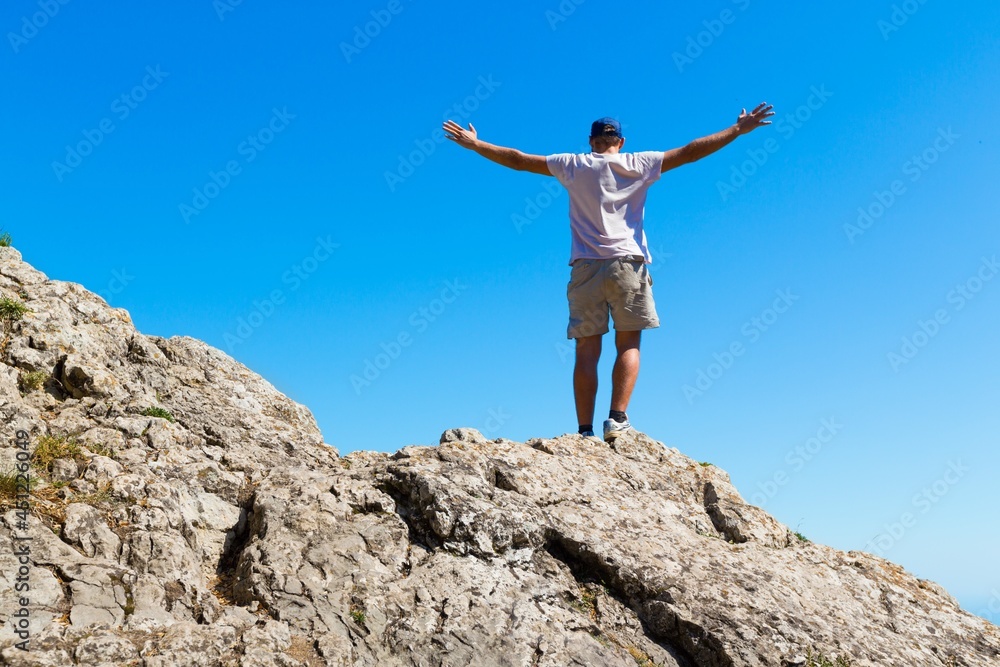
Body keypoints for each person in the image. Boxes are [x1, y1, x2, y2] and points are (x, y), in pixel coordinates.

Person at [443, 103, 774, 442]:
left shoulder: (572, 164)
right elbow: (691, 152)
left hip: (585, 267)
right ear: (621, 140)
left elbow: (517, 159)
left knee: (587, 351)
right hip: (627, 264)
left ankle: (585, 432)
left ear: (591, 141)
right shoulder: (639, 163)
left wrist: (476, 144)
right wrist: (736, 130)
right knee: (628, 341)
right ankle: (616, 420)